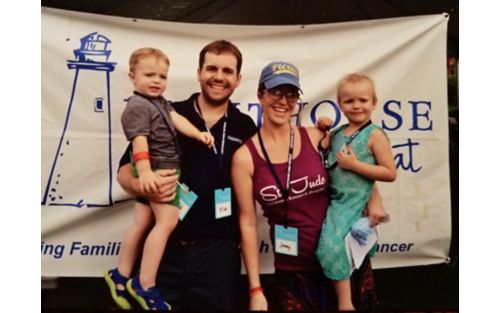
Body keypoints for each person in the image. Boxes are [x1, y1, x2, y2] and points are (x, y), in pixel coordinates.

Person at [115, 40, 257, 310]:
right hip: (165, 251)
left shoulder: (245, 125)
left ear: (238, 80)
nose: (218, 76)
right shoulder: (166, 111)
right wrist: (142, 184)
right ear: (199, 72)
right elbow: (124, 171)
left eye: (227, 71)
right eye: (211, 68)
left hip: (218, 253)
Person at [232, 63, 384, 311]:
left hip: (343, 259)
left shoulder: (317, 137)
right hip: (295, 272)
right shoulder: (244, 157)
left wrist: (374, 197)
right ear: (260, 94)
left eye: (291, 94)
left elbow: (352, 172)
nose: (284, 101)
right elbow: (247, 223)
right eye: (275, 92)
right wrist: (256, 289)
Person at [104, 47, 214, 310]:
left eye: (162, 76)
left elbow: (177, 119)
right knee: (167, 221)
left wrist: (198, 134)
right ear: (132, 76)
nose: (156, 81)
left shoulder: (161, 102)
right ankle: (145, 284)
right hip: (157, 172)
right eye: (149, 74)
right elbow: (139, 142)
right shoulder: (137, 106)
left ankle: (120, 273)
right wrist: (144, 174)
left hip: (158, 170)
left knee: (141, 222)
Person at [315, 73, 397, 311]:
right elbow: (324, 151)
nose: (357, 106)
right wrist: (323, 129)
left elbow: (389, 172)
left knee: (331, 247)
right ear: (340, 104)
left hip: (354, 200)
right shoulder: (339, 132)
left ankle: (345, 304)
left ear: (374, 102)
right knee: (330, 246)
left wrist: (355, 166)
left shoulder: (375, 135)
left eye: (363, 100)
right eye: (349, 101)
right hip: (335, 199)